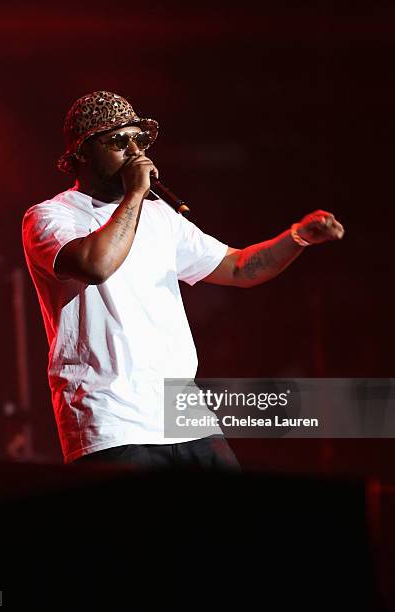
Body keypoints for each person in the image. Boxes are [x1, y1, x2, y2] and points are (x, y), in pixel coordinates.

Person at [22, 91, 344, 471]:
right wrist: (137, 193)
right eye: (118, 142)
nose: (134, 152)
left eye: (139, 140)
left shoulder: (160, 217)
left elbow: (238, 268)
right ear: (82, 154)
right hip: (110, 421)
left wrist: (298, 238)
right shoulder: (50, 217)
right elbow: (97, 265)